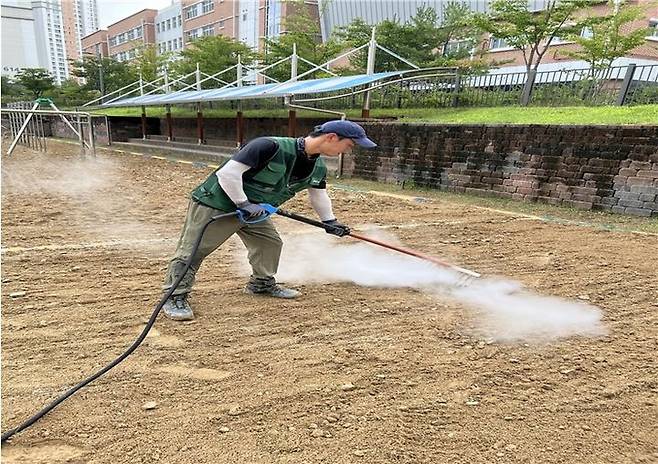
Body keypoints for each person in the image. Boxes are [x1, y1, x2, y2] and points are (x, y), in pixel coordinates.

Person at [162, 120, 377, 321]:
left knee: (269, 243)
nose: (348, 151)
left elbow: (318, 194)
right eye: (349, 145)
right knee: (194, 249)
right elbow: (228, 173)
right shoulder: (268, 146)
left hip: (255, 210)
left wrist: (330, 221)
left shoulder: (318, 166)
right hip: (218, 204)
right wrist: (243, 204)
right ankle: (174, 297)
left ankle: (261, 284)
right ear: (331, 137)